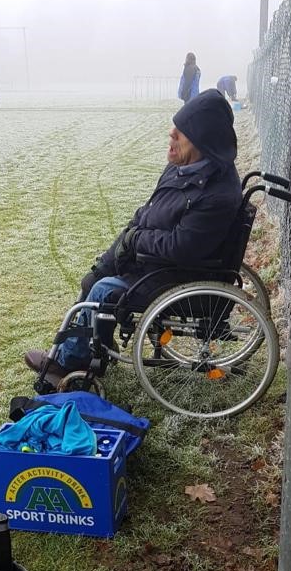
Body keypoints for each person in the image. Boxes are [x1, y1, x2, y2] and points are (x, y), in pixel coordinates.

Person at [25, 89, 242, 382]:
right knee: (93, 278)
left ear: (203, 141)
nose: (171, 134)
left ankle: (67, 364)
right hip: (152, 260)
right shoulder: (182, 169)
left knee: (102, 291)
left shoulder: (215, 194)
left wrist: (136, 241)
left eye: (182, 132)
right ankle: (94, 349)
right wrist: (117, 251)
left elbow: (183, 247)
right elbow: (145, 213)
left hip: (174, 274)